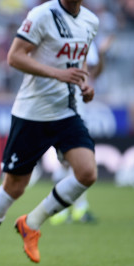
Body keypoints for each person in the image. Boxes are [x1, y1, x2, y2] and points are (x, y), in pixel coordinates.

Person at [0, 0, 99, 266]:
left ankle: (32, 223)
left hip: (66, 111)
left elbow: (79, 65)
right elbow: (14, 57)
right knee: (14, 187)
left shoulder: (91, 21)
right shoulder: (42, 15)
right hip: (32, 113)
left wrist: (85, 84)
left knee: (87, 172)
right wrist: (56, 74)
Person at [49, 34, 112, 225]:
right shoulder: (76, 37)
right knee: (72, 160)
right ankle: (64, 209)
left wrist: (100, 52)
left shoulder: (79, 37)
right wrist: (101, 52)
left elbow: (92, 73)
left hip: (67, 105)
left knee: (72, 160)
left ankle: (72, 209)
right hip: (66, 105)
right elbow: (93, 73)